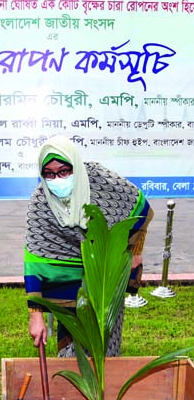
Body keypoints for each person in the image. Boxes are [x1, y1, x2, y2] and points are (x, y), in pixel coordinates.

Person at [25, 135, 152, 357]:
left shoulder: (100, 180)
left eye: (64, 171)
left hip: (105, 272)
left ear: (76, 166)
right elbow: (34, 260)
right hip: (68, 280)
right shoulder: (41, 200)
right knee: (72, 350)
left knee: (105, 337)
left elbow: (139, 205)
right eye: (49, 174)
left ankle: (104, 384)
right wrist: (35, 315)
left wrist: (135, 250)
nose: (57, 179)